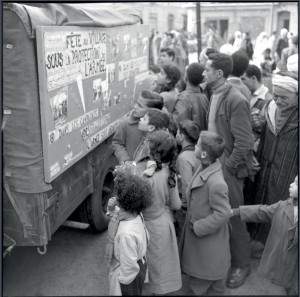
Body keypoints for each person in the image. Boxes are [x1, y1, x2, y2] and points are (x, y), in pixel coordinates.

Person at [203, 53, 255, 288]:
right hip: (215, 165)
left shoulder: (235, 98)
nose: (203, 73)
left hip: (229, 170)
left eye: (207, 70)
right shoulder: (215, 93)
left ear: (219, 73)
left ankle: (242, 264)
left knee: (233, 215)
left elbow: (244, 142)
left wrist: (229, 170)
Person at [179, 130, 231, 296]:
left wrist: (200, 226)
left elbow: (223, 213)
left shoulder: (216, 183)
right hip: (200, 242)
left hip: (206, 242)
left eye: (197, 145)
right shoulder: (204, 167)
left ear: (203, 153)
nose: (193, 146)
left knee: (201, 284)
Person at [231, 175, 298, 296]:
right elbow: (263, 211)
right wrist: (236, 211)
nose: (291, 185)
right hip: (286, 263)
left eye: (297, 184)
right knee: (288, 286)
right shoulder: (284, 205)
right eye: (293, 181)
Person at [253, 71, 298, 245]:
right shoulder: (270, 107)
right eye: (275, 95)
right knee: (264, 206)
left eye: (283, 97)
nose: (278, 101)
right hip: (266, 171)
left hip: (290, 175)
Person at [141, 130, 182, 295]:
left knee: (151, 265)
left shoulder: (146, 176)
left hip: (148, 227)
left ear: (153, 152)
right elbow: (177, 205)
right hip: (163, 224)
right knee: (161, 266)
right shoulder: (170, 173)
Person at [105, 163, 153, 296]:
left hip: (128, 277)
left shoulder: (126, 234)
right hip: (139, 265)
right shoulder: (136, 214)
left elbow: (129, 269)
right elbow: (117, 214)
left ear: (122, 199)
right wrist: (111, 209)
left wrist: (121, 282)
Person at [112, 90, 163, 164]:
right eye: (137, 103)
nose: (135, 106)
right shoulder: (125, 124)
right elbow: (117, 143)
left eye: (140, 105)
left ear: (151, 111)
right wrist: (125, 159)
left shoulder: (161, 131)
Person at [175, 120, 201, 238]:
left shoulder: (183, 158)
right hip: (198, 202)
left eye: (176, 133)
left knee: (183, 237)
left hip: (187, 206)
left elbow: (186, 184)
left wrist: (184, 207)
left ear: (181, 137)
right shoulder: (198, 152)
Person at [173, 63, 209, 130]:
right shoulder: (204, 98)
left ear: (186, 76)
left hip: (188, 139)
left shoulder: (183, 98)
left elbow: (179, 125)